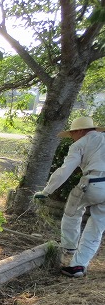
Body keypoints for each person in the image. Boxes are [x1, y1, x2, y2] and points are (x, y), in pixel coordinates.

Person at [34, 115, 105, 277]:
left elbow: (64, 170)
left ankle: (68, 247)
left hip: (92, 183)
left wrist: (46, 191)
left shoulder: (80, 144)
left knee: (72, 212)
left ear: (80, 131)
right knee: (96, 228)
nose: (72, 137)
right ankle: (77, 266)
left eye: (72, 134)